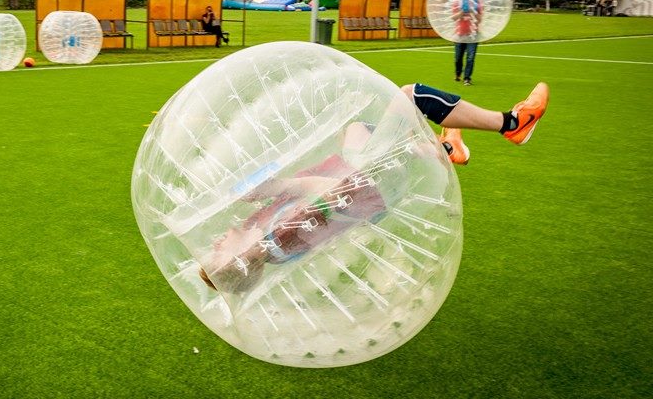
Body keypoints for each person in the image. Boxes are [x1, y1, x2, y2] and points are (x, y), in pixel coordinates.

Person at [198, 81, 550, 292]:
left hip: (369, 188)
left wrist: (262, 192)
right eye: (216, 253)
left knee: (360, 128)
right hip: (369, 182)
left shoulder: (269, 243)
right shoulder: (278, 238)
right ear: (237, 262)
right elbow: (329, 190)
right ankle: (512, 123)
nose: (215, 243)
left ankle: (445, 149)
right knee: (410, 97)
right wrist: (276, 185)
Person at [452, 0, 482, 86]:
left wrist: (473, 11)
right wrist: (462, 11)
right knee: (458, 58)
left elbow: (480, 20)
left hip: (472, 34)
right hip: (460, 34)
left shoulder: (477, 4)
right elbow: (454, 18)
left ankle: (467, 78)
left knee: (470, 57)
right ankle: (458, 73)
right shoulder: (458, 3)